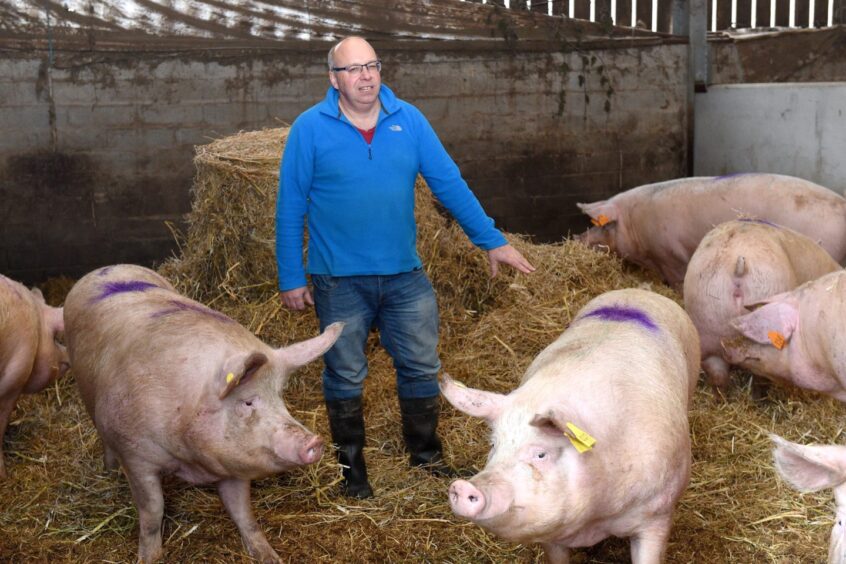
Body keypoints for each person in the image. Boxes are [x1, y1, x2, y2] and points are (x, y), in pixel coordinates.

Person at [276, 36, 535, 499]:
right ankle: (350, 468)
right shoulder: (309, 129)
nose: (366, 76)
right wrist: (292, 276)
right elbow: (290, 206)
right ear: (333, 79)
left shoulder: (408, 120)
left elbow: (449, 183)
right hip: (338, 279)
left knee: (420, 365)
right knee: (345, 372)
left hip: (404, 275)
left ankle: (426, 456)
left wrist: (491, 240)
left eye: (372, 65)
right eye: (353, 69)